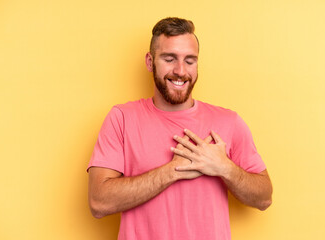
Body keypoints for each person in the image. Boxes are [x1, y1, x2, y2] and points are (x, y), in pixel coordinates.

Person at [87, 17, 273, 240]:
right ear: (149, 61)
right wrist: (173, 170)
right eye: (169, 58)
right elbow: (99, 202)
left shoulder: (228, 122)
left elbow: (264, 198)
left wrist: (225, 168)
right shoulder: (122, 118)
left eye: (190, 60)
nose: (180, 70)